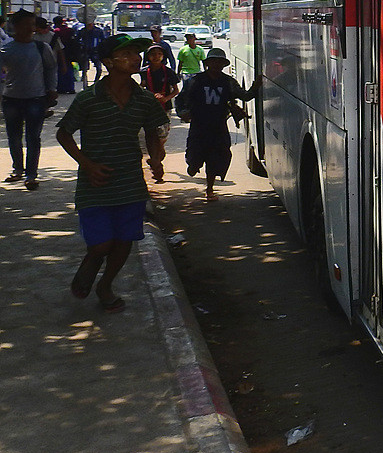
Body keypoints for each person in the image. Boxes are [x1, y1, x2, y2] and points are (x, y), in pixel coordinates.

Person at [56, 34, 167, 313]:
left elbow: (154, 131)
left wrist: (156, 158)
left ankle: (106, 285)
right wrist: (87, 164)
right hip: (95, 182)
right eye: (127, 53)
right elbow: (64, 133)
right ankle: (92, 260)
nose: (135, 58)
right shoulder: (88, 99)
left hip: (130, 182)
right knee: (101, 243)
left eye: (136, 53)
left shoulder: (144, 100)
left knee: (124, 239)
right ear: (108, 62)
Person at [175, 48, 258, 201]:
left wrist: (256, 86)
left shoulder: (228, 82)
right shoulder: (195, 81)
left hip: (218, 126)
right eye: (214, 62)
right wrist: (183, 112)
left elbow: (245, 96)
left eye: (220, 62)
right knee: (194, 155)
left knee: (217, 157)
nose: (216, 65)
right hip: (199, 126)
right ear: (207, 64)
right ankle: (193, 166)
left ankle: (210, 188)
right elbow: (180, 99)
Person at [1, 10, 59, 189]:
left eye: (32, 24)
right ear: (16, 26)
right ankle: (18, 169)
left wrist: (52, 89)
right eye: (26, 24)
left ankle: (31, 174)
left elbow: (51, 69)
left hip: (36, 98)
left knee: (33, 137)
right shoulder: (6, 49)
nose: (30, 28)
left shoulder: (42, 48)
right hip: (11, 98)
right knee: (14, 136)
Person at [139, 44, 181, 177]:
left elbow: (176, 90)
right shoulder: (144, 72)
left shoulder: (168, 72)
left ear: (163, 56)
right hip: (149, 109)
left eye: (159, 54)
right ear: (148, 57)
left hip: (165, 109)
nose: (156, 57)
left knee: (161, 139)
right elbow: (142, 86)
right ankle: (157, 166)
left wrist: (166, 98)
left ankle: (157, 160)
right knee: (151, 136)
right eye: (152, 54)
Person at [52, 16, 82, 93]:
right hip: (70, 53)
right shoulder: (69, 30)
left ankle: (61, 88)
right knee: (69, 70)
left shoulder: (56, 31)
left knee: (60, 70)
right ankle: (70, 88)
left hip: (59, 53)